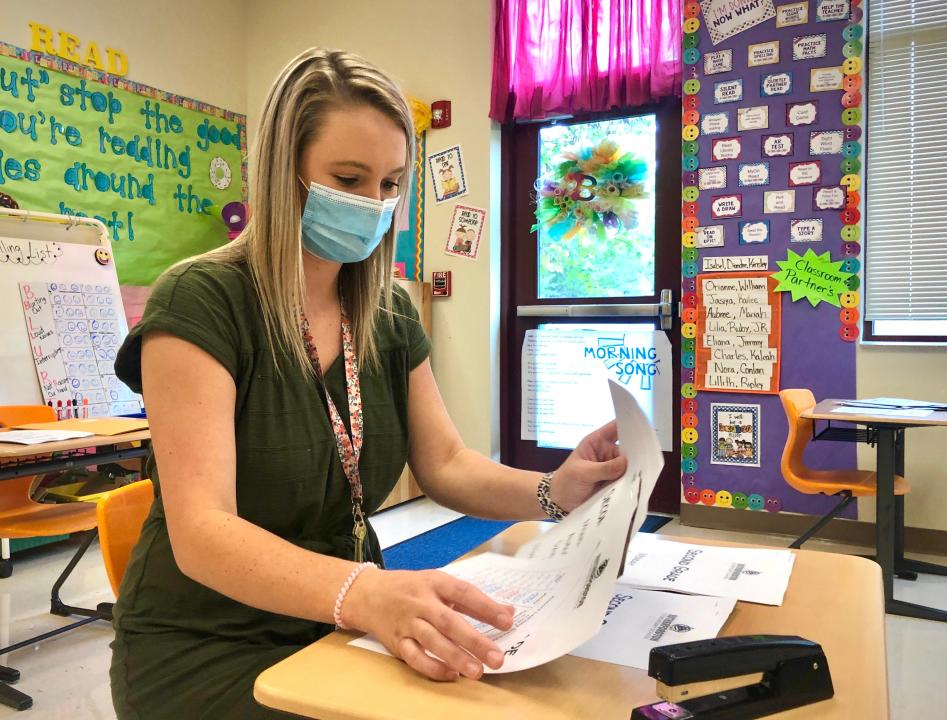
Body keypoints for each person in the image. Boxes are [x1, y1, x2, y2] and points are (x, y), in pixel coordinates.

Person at [110, 47, 627, 719]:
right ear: (282, 173)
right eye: (348, 178)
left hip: (342, 622)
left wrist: (552, 493)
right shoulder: (202, 300)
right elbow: (204, 530)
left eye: (389, 184)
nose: (373, 204)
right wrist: (362, 592)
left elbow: (443, 462)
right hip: (209, 645)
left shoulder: (387, 312)